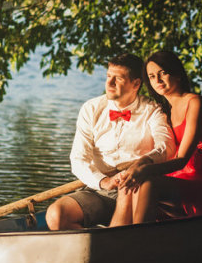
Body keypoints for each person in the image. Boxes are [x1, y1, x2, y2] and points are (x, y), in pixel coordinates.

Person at [45, 53, 176, 230]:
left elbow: (165, 147)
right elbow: (78, 159)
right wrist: (104, 181)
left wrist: (141, 165)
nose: (109, 83)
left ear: (136, 84)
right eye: (108, 76)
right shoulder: (91, 108)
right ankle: (98, 246)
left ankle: (114, 243)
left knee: (125, 197)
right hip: (98, 188)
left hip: (135, 185)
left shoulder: (152, 110)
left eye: (118, 78)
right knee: (56, 215)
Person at [112, 50, 202, 225]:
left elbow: (181, 160)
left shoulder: (195, 104)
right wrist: (141, 163)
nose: (158, 80)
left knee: (149, 182)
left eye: (163, 73)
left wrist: (146, 170)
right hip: (184, 174)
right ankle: (118, 235)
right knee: (133, 182)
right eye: (152, 76)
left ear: (177, 74)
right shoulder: (167, 110)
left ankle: (137, 238)